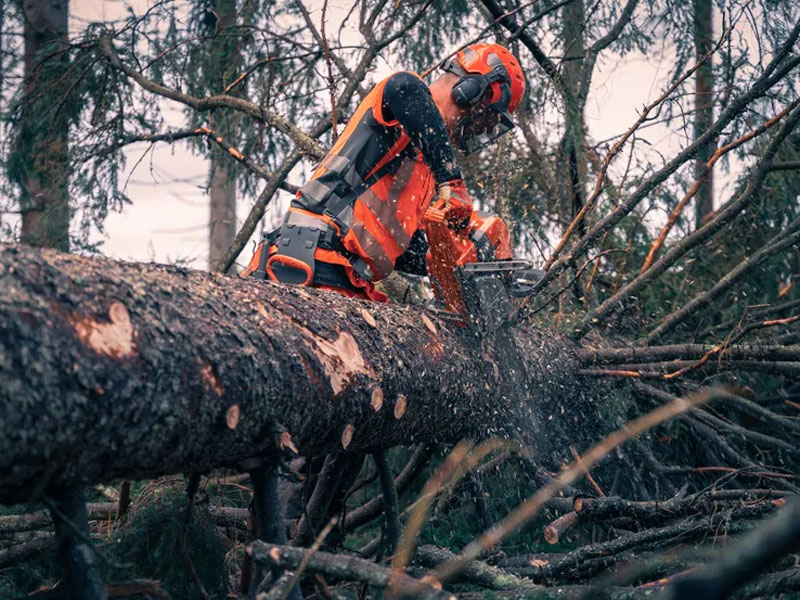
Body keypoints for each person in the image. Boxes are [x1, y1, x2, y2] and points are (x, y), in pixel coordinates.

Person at [243, 43, 526, 302]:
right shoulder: (406, 101)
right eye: (486, 118)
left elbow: (397, 246)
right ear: (469, 91)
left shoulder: (425, 172)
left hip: (347, 278)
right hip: (309, 261)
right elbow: (403, 88)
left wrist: (451, 257)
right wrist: (451, 178)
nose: (481, 129)